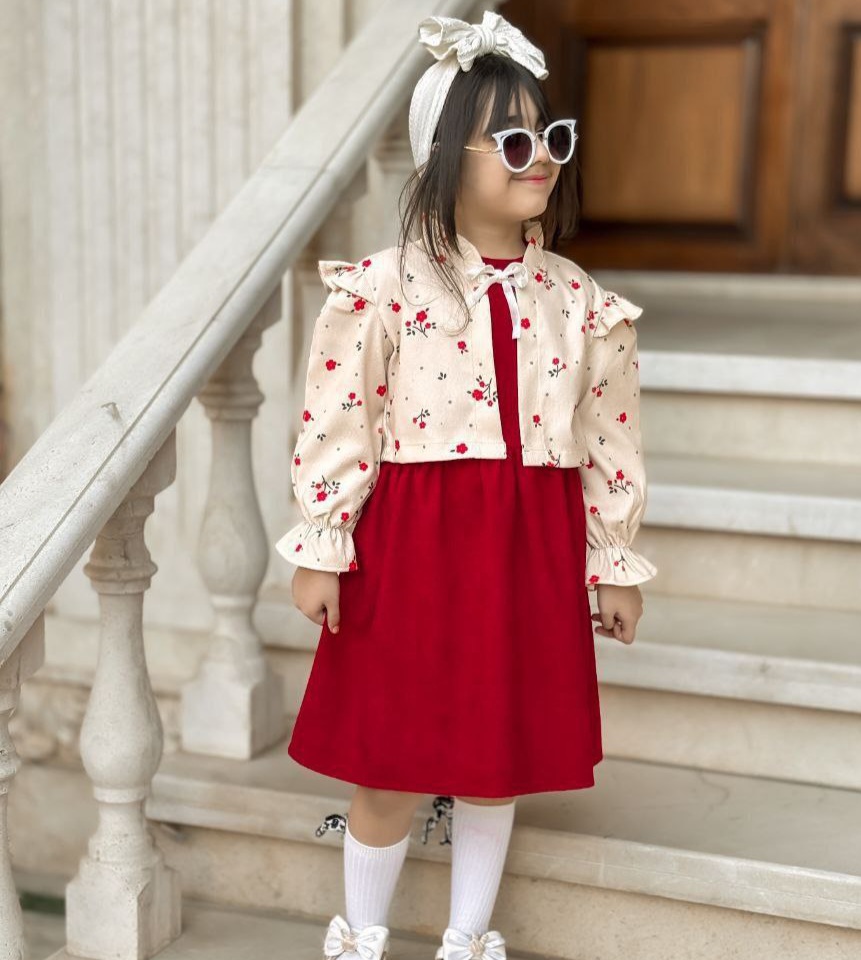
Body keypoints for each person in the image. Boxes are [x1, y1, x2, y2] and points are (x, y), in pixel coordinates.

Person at [274, 11, 659, 960]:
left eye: (552, 137)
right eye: (515, 143)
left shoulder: (580, 301)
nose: (542, 159)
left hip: (527, 546)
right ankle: (361, 933)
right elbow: (339, 418)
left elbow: (608, 436)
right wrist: (324, 544)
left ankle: (467, 936)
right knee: (387, 759)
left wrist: (612, 561)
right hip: (412, 546)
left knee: (499, 760)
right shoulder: (382, 289)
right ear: (446, 159)